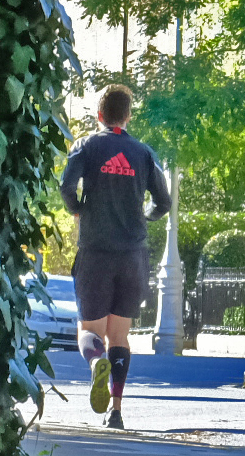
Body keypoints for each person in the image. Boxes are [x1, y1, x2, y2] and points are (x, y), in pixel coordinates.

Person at [59, 83, 170, 429]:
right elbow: (163, 202)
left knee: (88, 331)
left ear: (99, 115)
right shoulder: (143, 153)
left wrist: (78, 209)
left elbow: (66, 186)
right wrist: (145, 216)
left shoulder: (87, 146)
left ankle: (96, 364)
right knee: (119, 337)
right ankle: (116, 411)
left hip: (95, 253)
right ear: (128, 116)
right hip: (132, 256)